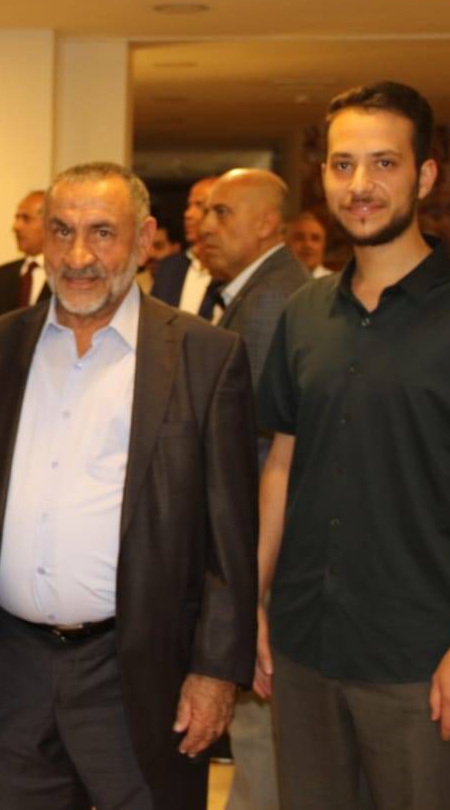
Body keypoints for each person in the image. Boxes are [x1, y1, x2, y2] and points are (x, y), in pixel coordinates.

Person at [0, 161, 258, 810]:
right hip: (14, 668)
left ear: (144, 239)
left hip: (138, 670)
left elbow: (230, 538)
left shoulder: (206, 357)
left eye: (102, 232)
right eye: (62, 231)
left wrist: (215, 671)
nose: (78, 256)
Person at [253, 82, 450, 810]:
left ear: (424, 176)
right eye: (343, 164)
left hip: (423, 658)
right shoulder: (304, 314)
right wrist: (253, 604)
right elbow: (282, 466)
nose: (360, 184)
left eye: (383, 163)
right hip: (304, 646)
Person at [198, 169, 310, 810]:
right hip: (256, 530)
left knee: (260, 711)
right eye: (205, 212)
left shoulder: (272, 300)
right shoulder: (255, 290)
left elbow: (261, 447)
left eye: (223, 212)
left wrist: (244, 563)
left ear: (268, 223)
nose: (205, 226)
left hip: (261, 535)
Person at [0, 190, 51, 323]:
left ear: (50, 224)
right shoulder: (0, 276)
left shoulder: (66, 276)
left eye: (26, 219)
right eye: (17, 218)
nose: (16, 227)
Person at [152, 175, 220, 317]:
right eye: (189, 206)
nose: (188, 214)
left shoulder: (230, 269)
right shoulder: (168, 268)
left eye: (199, 205)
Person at [286, 211, 333, 278]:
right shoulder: (274, 280)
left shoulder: (338, 283)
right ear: (287, 244)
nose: (308, 244)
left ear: (324, 245)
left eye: (315, 238)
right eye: (300, 238)